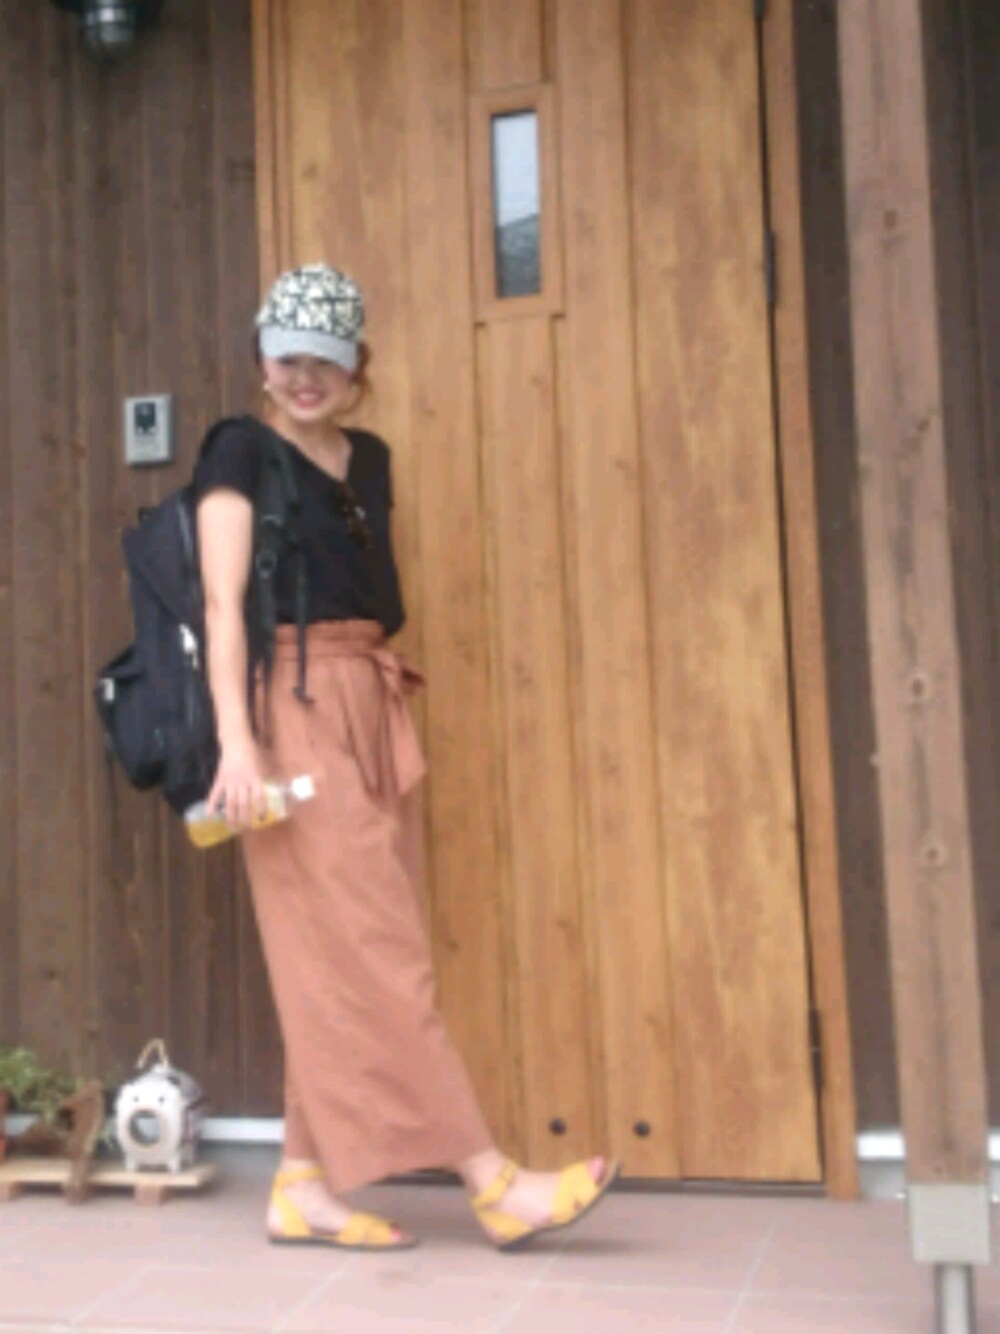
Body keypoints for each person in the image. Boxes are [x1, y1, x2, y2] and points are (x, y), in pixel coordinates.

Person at [194, 263, 619, 1252]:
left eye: (326, 360)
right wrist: (238, 743)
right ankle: (491, 1178)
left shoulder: (369, 458)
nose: (305, 377)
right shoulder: (238, 449)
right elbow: (221, 606)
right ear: (261, 358)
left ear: (357, 366)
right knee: (379, 949)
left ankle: (302, 1182)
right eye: (288, 357)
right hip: (287, 703)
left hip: (369, 696)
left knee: (352, 946)